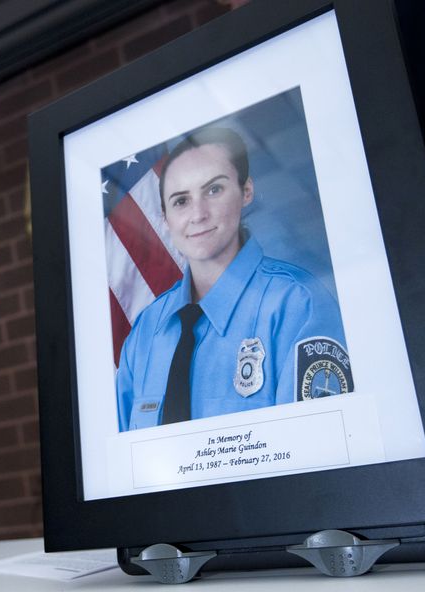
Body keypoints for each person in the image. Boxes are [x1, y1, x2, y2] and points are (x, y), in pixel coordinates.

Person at [116, 127, 352, 432]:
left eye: (214, 190)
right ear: (165, 218)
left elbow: (322, 447)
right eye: (180, 201)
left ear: (247, 192)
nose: (198, 214)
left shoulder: (296, 303)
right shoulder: (144, 333)